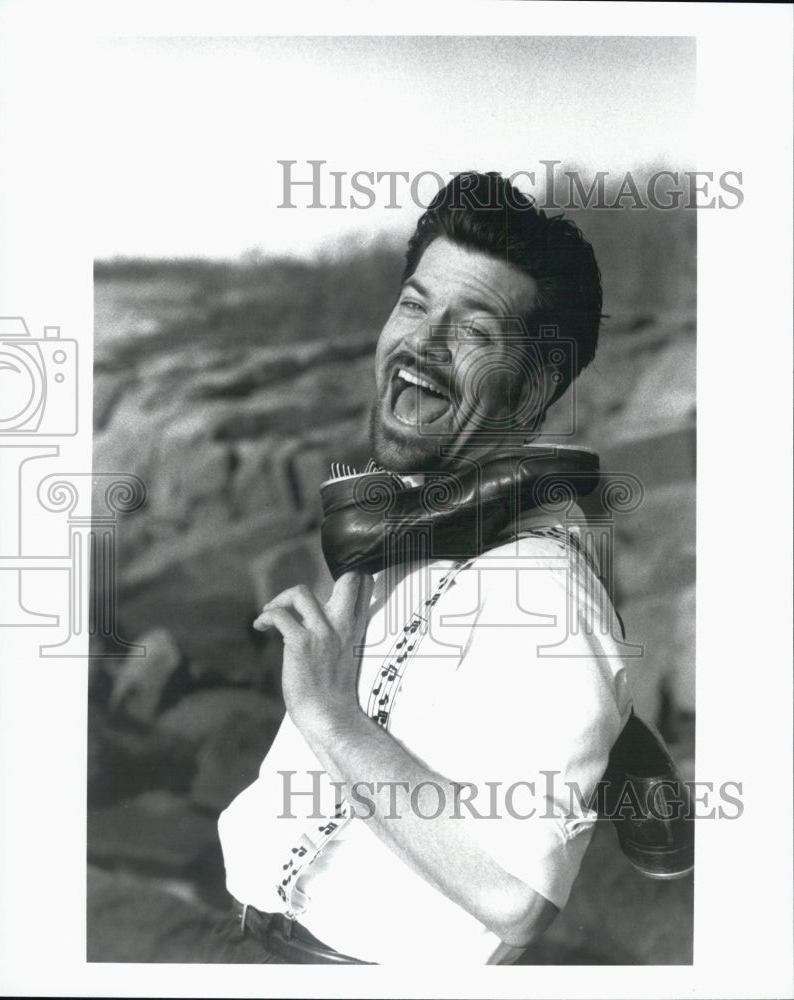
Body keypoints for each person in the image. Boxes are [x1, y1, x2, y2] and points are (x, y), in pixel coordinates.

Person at [216, 172, 633, 965]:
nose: (421, 342)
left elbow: (518, 901)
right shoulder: (418, 512)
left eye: (473, 330)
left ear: (536, 384)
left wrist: (333, 718)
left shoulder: (546, 595)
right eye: (414, 304)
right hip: (248, 942)